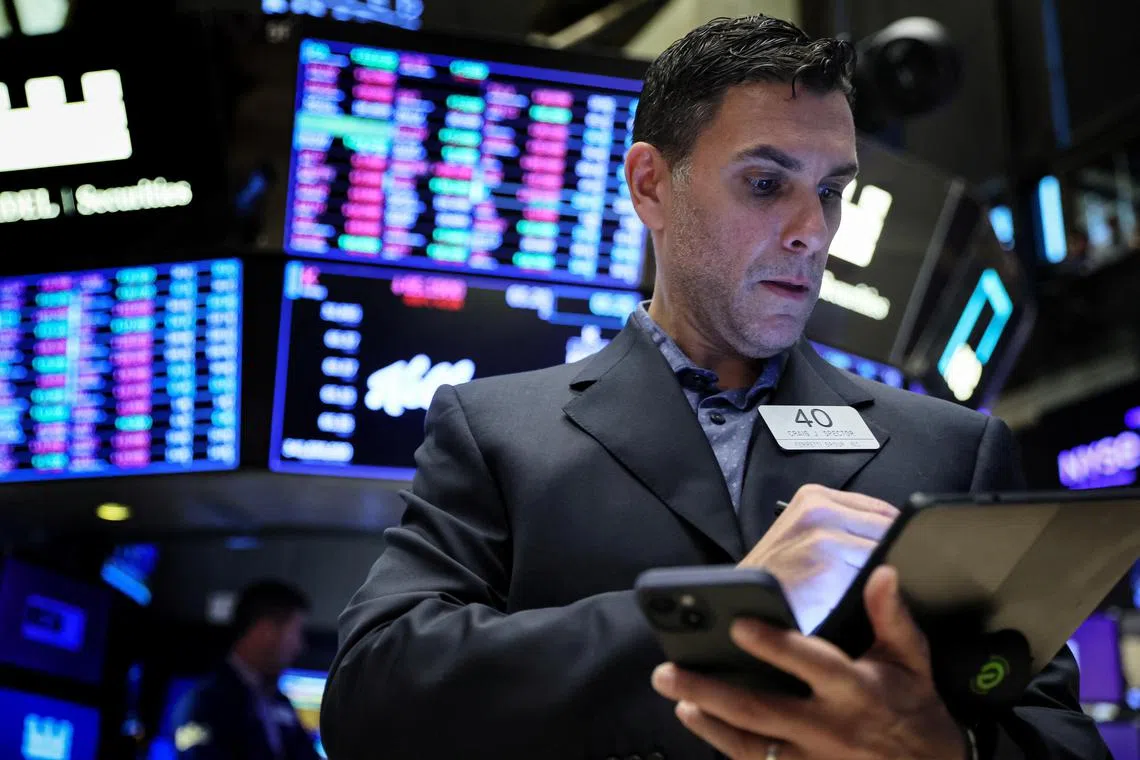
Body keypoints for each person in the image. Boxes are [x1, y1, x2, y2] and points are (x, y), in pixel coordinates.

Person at [321, 15, 1108, 760]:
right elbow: (369, 699)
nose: (813, 231)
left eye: (832, 190)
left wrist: (947, 749)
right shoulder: (498, 430)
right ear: (650, 185)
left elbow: (1064, 738)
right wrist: (723, 614)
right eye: (766, 184)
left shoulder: (951, 449)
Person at [173, 580, 321, 760]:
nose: (300, 647)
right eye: (296, 632)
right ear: (267, 631)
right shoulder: (206, 699)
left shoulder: (278, 701)